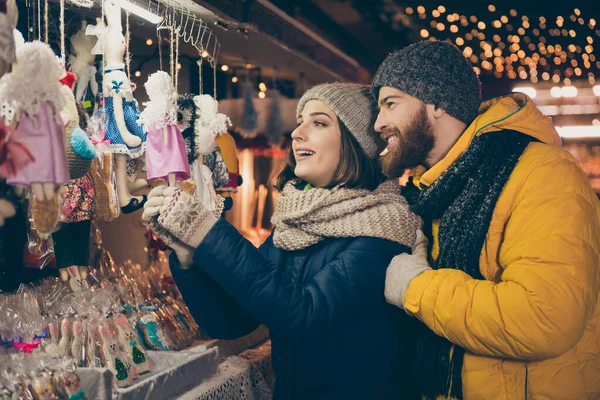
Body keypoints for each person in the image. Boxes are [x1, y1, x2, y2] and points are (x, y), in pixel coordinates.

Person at [142, 83, 422, 399]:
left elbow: (303, 316)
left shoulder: (382, 230)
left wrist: (207, 231)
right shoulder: (293, 226)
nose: (297, 133)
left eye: (319, 122)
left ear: (359, 143)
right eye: (300, 120)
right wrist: (189, 257)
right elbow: (232, 321)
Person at [372, 40, 600, 400]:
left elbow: (545, 320)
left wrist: (415, 289)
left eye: (390, 104)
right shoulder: (429, 192)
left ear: (437, 104)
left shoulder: (543, 174)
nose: (379, 122)